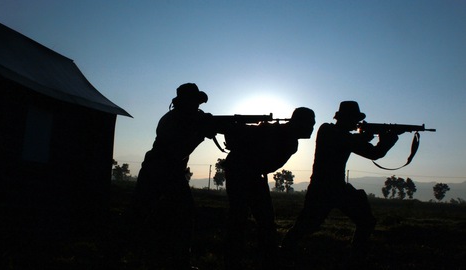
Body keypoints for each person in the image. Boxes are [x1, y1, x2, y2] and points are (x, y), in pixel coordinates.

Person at [280, 101, 399, 263]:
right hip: (323, 189)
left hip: (337, 188)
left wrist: (386, 141)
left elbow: (374, 152)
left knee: (366, 221)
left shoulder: (344, 136)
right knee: (306, 226)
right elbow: (359, 146)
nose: (356, 123)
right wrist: (377, 138)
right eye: (353, 119)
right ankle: (283, 253)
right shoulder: (327, 130)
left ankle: (357, 259)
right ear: (344, 118)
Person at [131, 83, 215, 270]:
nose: (198, 106)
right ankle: (126, 251)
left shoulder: (191, 118)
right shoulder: (171, 120)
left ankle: (174, 258)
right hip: (158, 170)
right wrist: (201, 132)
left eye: (198, 103)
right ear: (184, 102)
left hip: (170, 172)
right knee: (141, 213)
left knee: (180, 215)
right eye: (195, 102)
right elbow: (176, 149)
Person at [221, 107, 316, 270]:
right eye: (309, 124)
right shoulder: (276, 133)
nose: (312, 129)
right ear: (299, 123)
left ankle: (266, 259)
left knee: (264, 220)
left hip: (253, 175)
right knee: (240, 217)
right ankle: (234, 260)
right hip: (241, 173)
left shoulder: (289, 140)